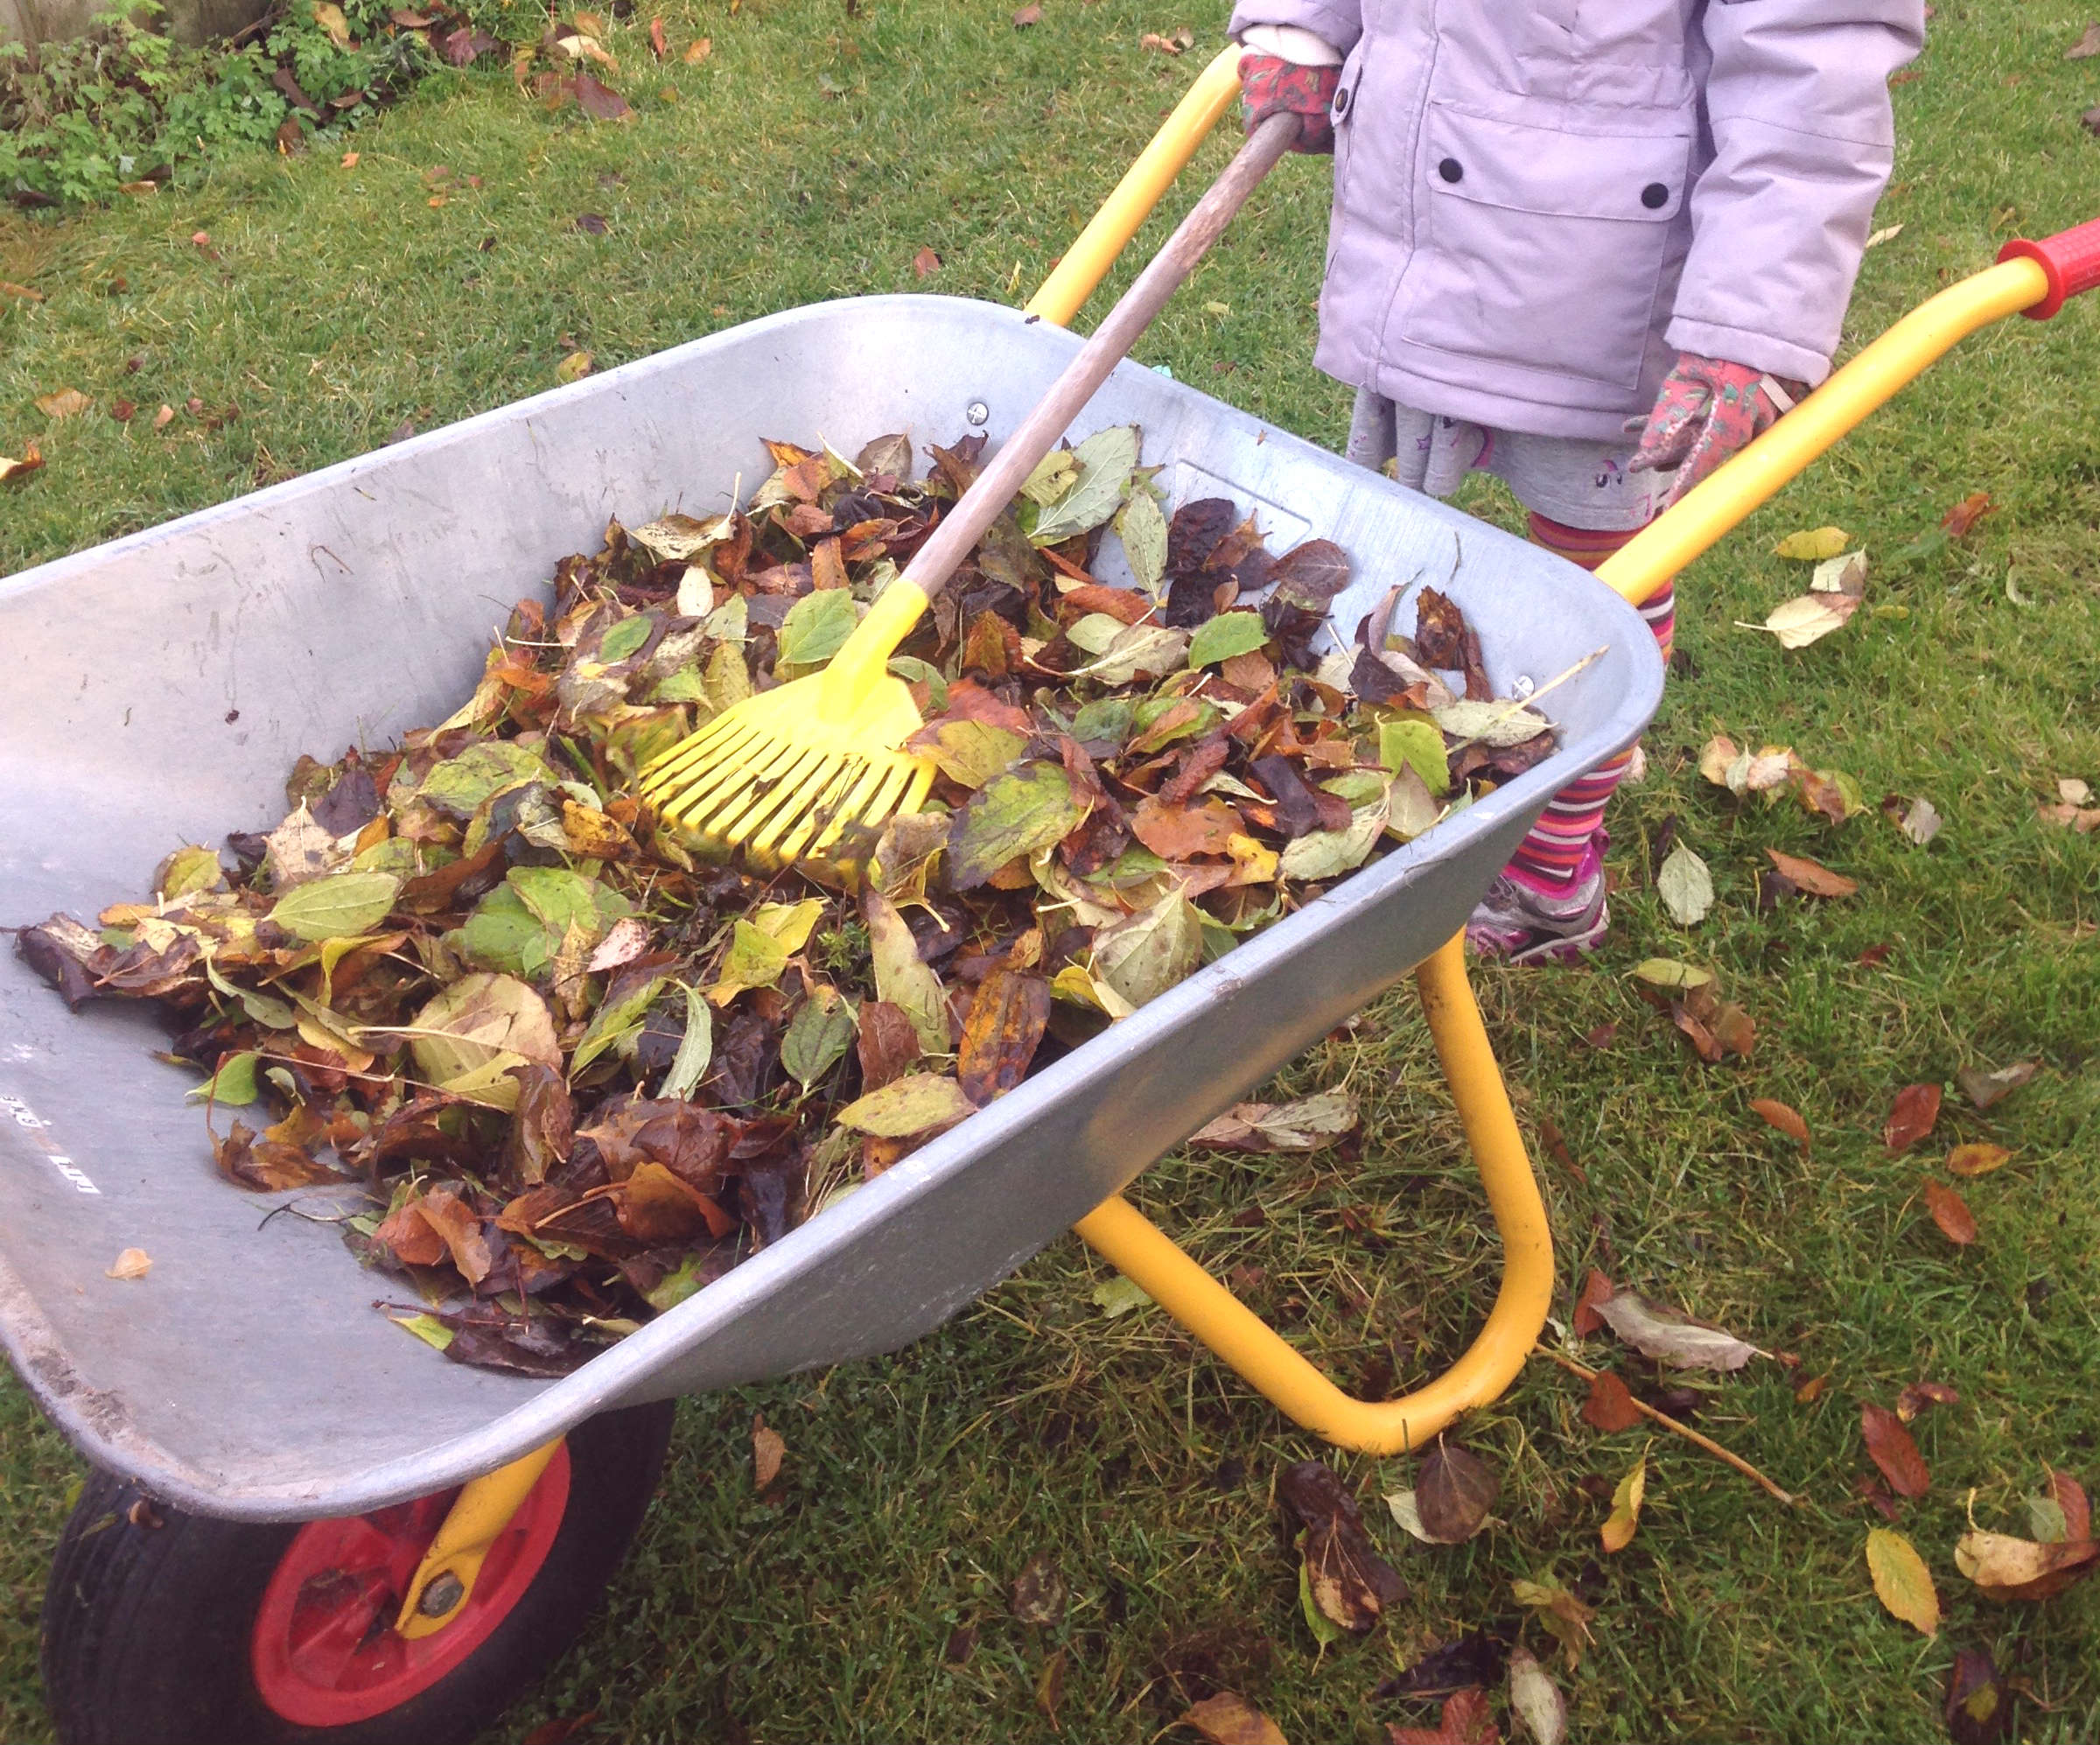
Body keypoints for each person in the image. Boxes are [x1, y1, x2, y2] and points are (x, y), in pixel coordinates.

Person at [1232, 1, 1925, 962]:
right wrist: (1299, 25)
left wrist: (1750, 319)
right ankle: (1567, 743)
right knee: (1407, 523)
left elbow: (1809, 62)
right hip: (1423, 236)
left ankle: (1554, 872)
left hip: (1602, 285)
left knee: (1605, 570)